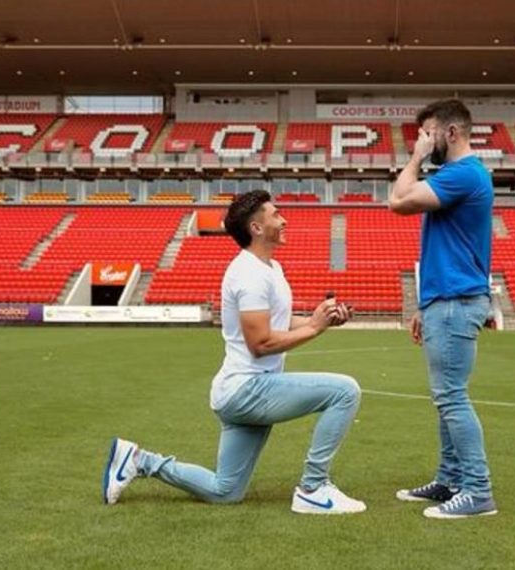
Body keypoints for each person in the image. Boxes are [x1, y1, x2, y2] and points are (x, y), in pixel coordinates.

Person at [102, 190, 366, 515]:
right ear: (256, 228)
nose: (284, 219)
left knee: (225, 491)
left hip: (240, 392)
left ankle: (139, 460)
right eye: (275, 214)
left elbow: (278, 322)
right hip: (247, 390)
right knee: (345, 391)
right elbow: (261, 344)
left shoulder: (270, 268)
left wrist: (318, 319)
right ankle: (313, 488)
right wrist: (314, 329)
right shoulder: (249, 274)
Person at [388, 99, 497, 519]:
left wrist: (415, 158)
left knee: (451, 397)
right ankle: (451, 478)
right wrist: (423, 304)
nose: (422, 141)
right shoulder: (457, 175)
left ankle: (478, 490)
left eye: (428, 133)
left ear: (451, 133)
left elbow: (396, 201)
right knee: (446, 396)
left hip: (455, 301)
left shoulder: (463, 174)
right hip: (443, 299)